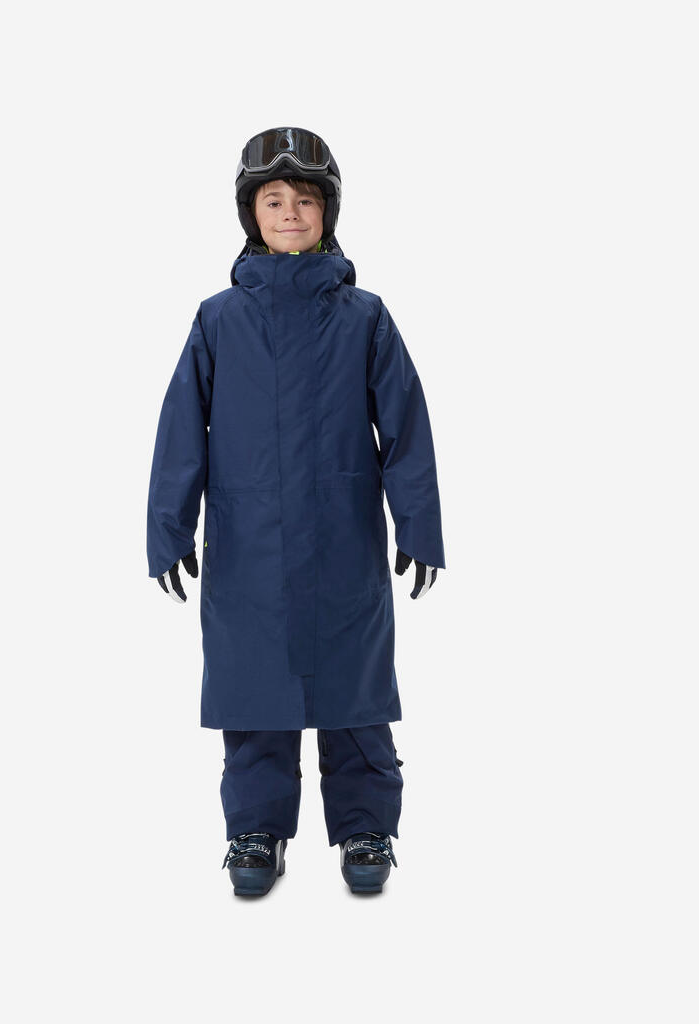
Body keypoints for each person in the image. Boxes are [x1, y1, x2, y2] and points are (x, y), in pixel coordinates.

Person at [146, 127, 445, 896]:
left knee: (355, 690)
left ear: (327, 214)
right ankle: (255, 828)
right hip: (249, 543)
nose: (289, 213)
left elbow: (405, 425)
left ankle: (366, 826)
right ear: (250, 214)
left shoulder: (365, 317)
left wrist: (418, 523)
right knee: (254, 692)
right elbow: (181, 429)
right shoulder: (218, 320)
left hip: (342, 538)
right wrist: (169, 527)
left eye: (305, 201)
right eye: (273, 200)